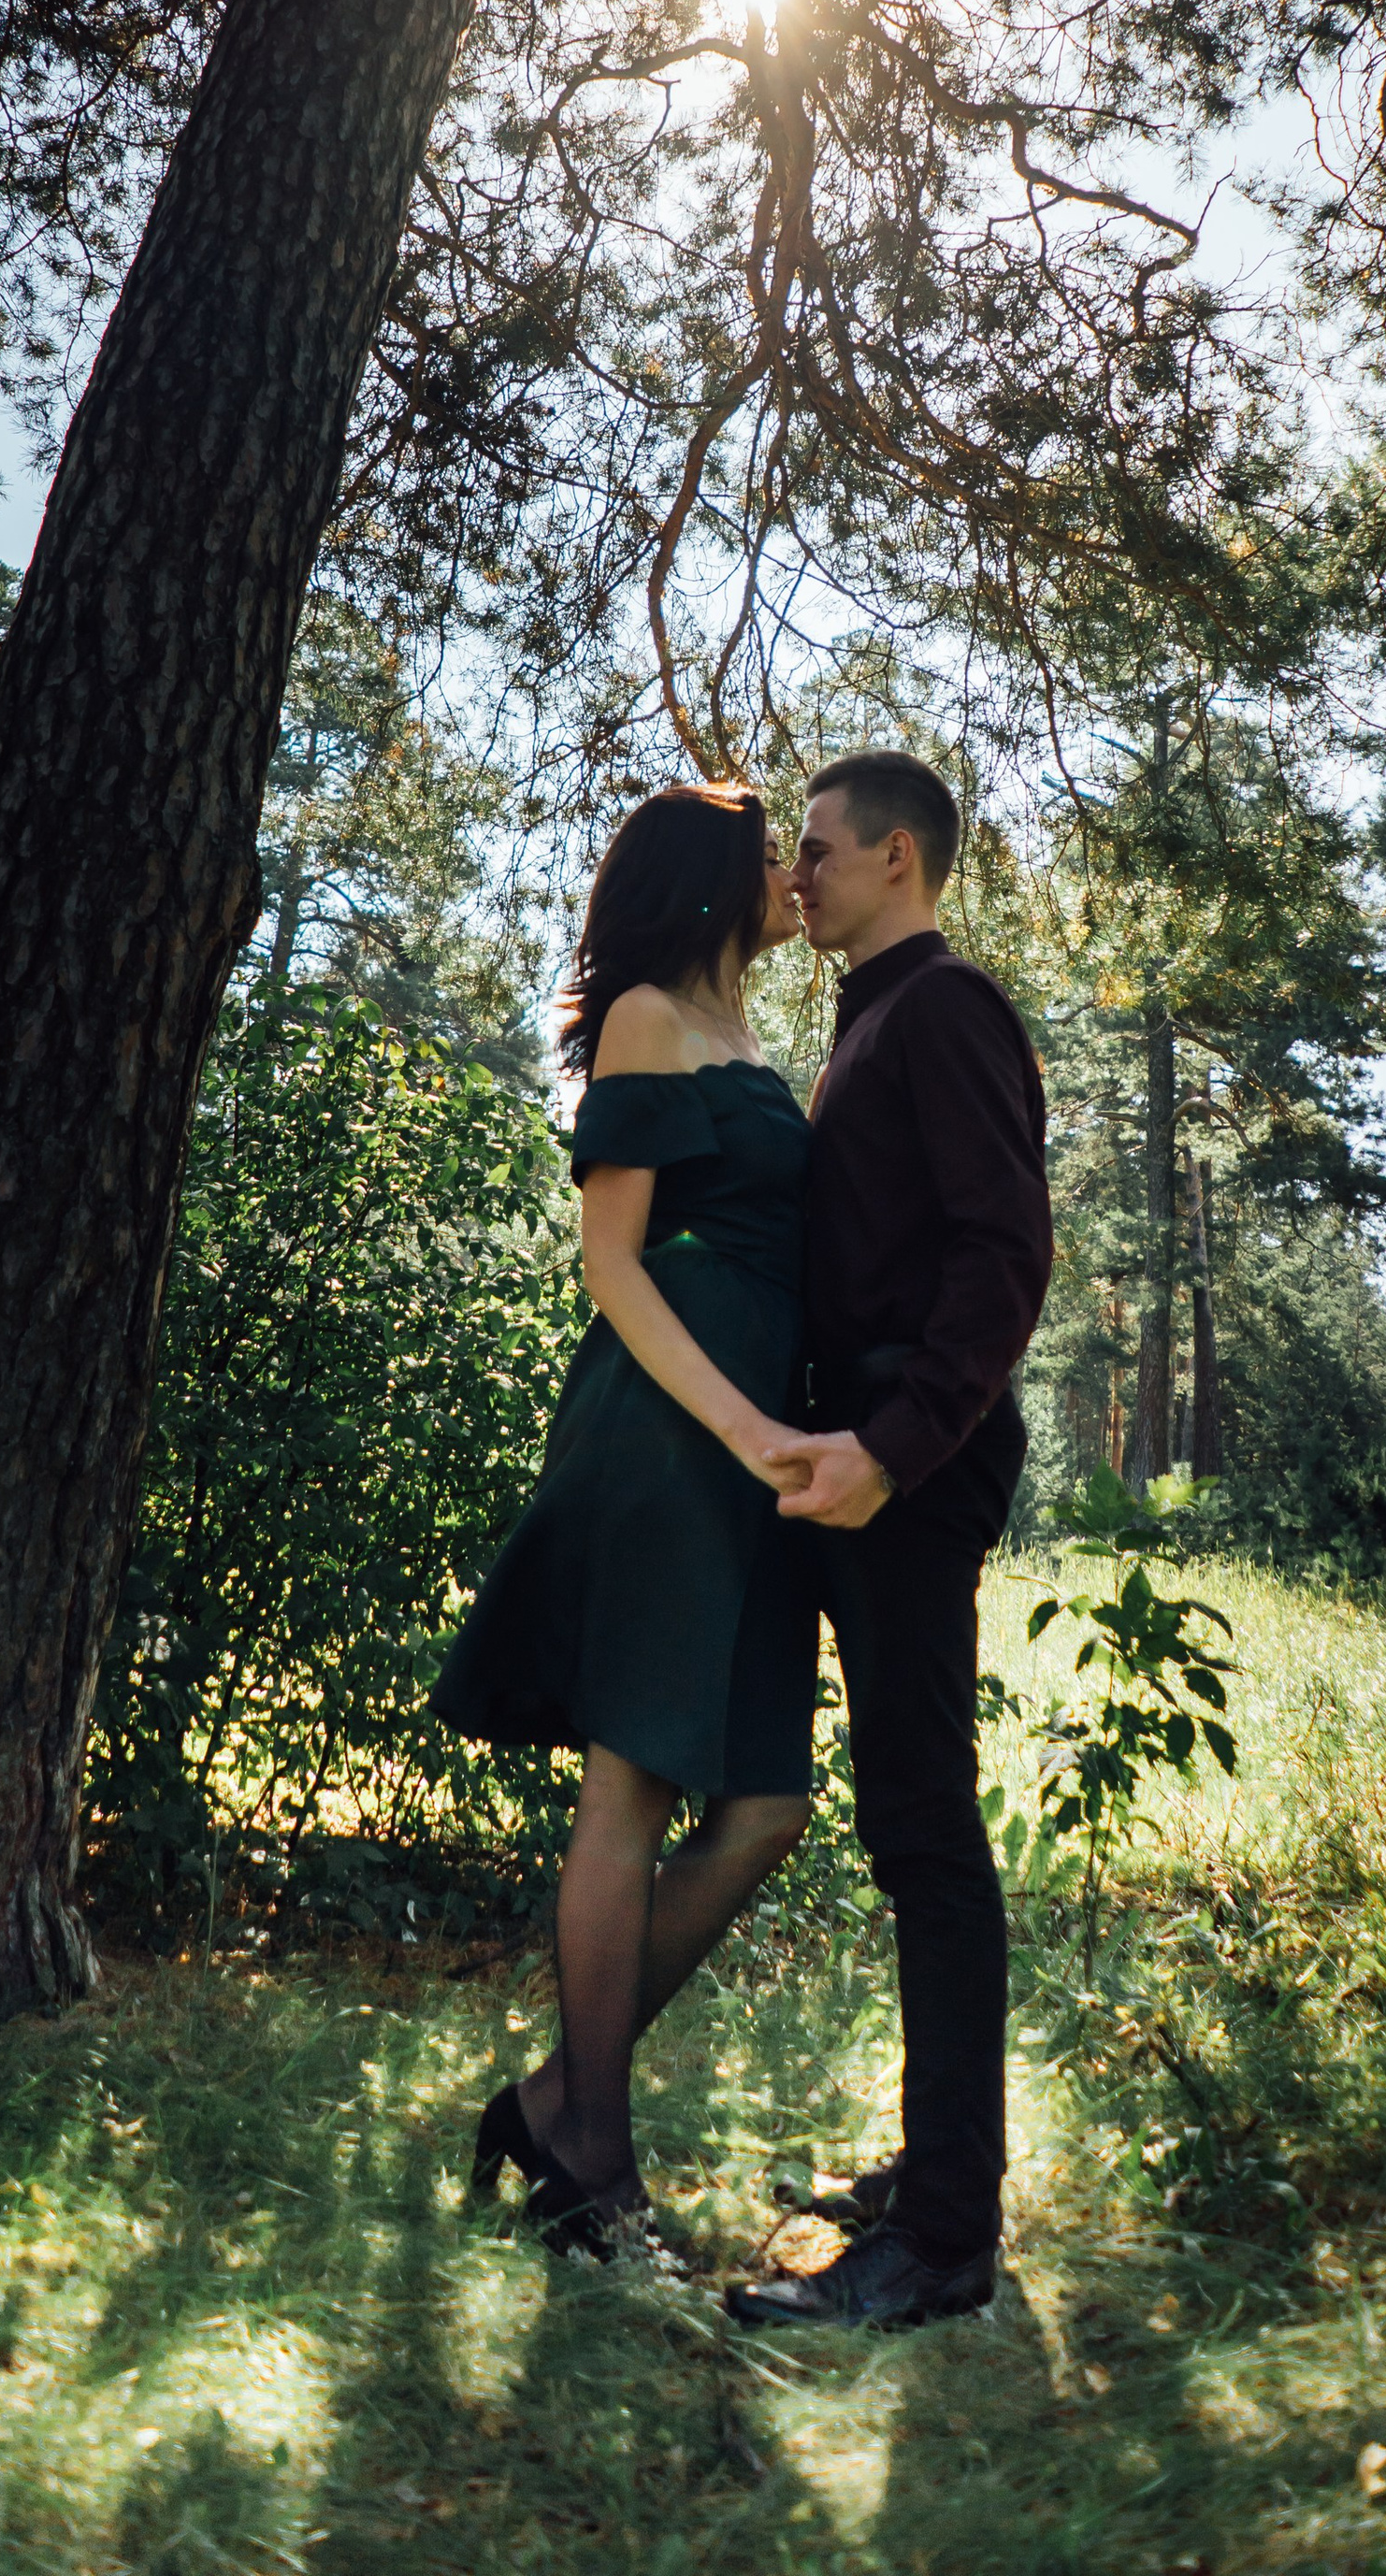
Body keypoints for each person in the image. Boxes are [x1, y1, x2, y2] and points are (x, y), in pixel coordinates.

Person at [432, 783, 817, 2257]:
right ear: (711, 880)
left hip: (763, 1445)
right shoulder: (649, 1018)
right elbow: (614, 1262)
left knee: (767, 1806)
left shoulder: (752, 1043)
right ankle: (595, 2159)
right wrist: (738, 1423)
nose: (792, 876)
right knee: (632, 1794)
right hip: (672, 1438)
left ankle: (549, 2100)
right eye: (769, 853)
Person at [724, 750, 1052, 2332]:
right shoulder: (869, 1017)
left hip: (909, 1468)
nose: (798, 876)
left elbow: (1005, 1255)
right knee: (904, 1835)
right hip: (860, 1461)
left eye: (820, 851)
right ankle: (935, 2181)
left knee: (928, 1838)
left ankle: (944, 2246)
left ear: (899, 859)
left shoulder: (947, 1011)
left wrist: (892, 1453)